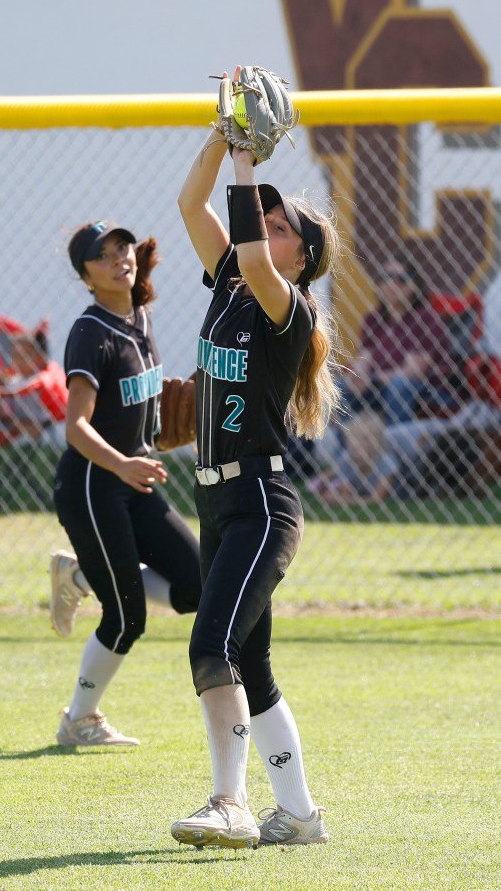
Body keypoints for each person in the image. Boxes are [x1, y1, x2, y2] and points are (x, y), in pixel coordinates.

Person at [169, 68, 341, 850]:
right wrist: (222, 136)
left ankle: (230, 804)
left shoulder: (288, 308)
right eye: (263, 220)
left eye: (279, 226)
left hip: (262, 507)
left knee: (213, 647)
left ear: (301, 259)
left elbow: (246, 246)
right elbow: (188, 206)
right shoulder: (230, 289)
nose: (262, 230)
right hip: (219, 503)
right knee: (255, 668)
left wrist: (248, 165)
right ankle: (298, 815)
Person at [51, 219, 202, 747]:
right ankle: (79, 720)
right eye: (105, 254)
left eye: (123, 246)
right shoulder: (90, 332)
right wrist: (123, 463)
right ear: (86, 275)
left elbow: (138, 408)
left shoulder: (138, 317)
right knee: (126, 617)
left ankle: (83, 577)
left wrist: (163, 433)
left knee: (199, 585)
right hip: (93, 484)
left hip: (132, 474)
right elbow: (76, 428)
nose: (121, 257)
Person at [342, 256, 452, 426]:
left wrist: (372, 379)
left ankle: (394, 446)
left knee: (399, 385)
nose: (392, 284)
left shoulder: (425, 318)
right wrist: (359, 375)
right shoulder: (374, 319)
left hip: (425, 389)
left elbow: (413, 371)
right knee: (342, 386)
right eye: (386, 277)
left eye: (400, 279)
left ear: (414, 285)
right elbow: (365, 358)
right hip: (378, 384)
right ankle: (348, 447)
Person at [307, 409, 398, 505]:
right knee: (337, 470)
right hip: (357, 487)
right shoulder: (348, 457)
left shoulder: (387, 462)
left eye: (365, 439)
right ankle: (326, 481)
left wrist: (340, 501)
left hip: (397, 493)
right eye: (353, 437)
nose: (356, 444)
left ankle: (331, 483)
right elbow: (345, 493)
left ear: (378, 443)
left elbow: (377, 499)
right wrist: (338, 496)